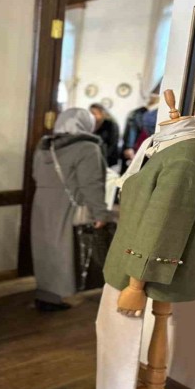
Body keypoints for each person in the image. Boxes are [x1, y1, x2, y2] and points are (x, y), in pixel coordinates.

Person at [31, 108, 112, 311]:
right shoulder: (87, 148)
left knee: (46, 249)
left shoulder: (44, 146)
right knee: (65, 249)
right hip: (68, 204)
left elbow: (35, 175)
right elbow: (91, 184)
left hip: (42, 204)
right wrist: (100, 213)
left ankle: (45, 294)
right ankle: (59, 294)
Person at [89, 103, 121, 168]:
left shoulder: (111, 124)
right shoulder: (91, 124)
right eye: (90, 113)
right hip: (94, 158)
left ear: (102, 113)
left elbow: (113, 144)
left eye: (94, 113)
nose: (92, 116)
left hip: (108, 159)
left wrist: (103, 158)